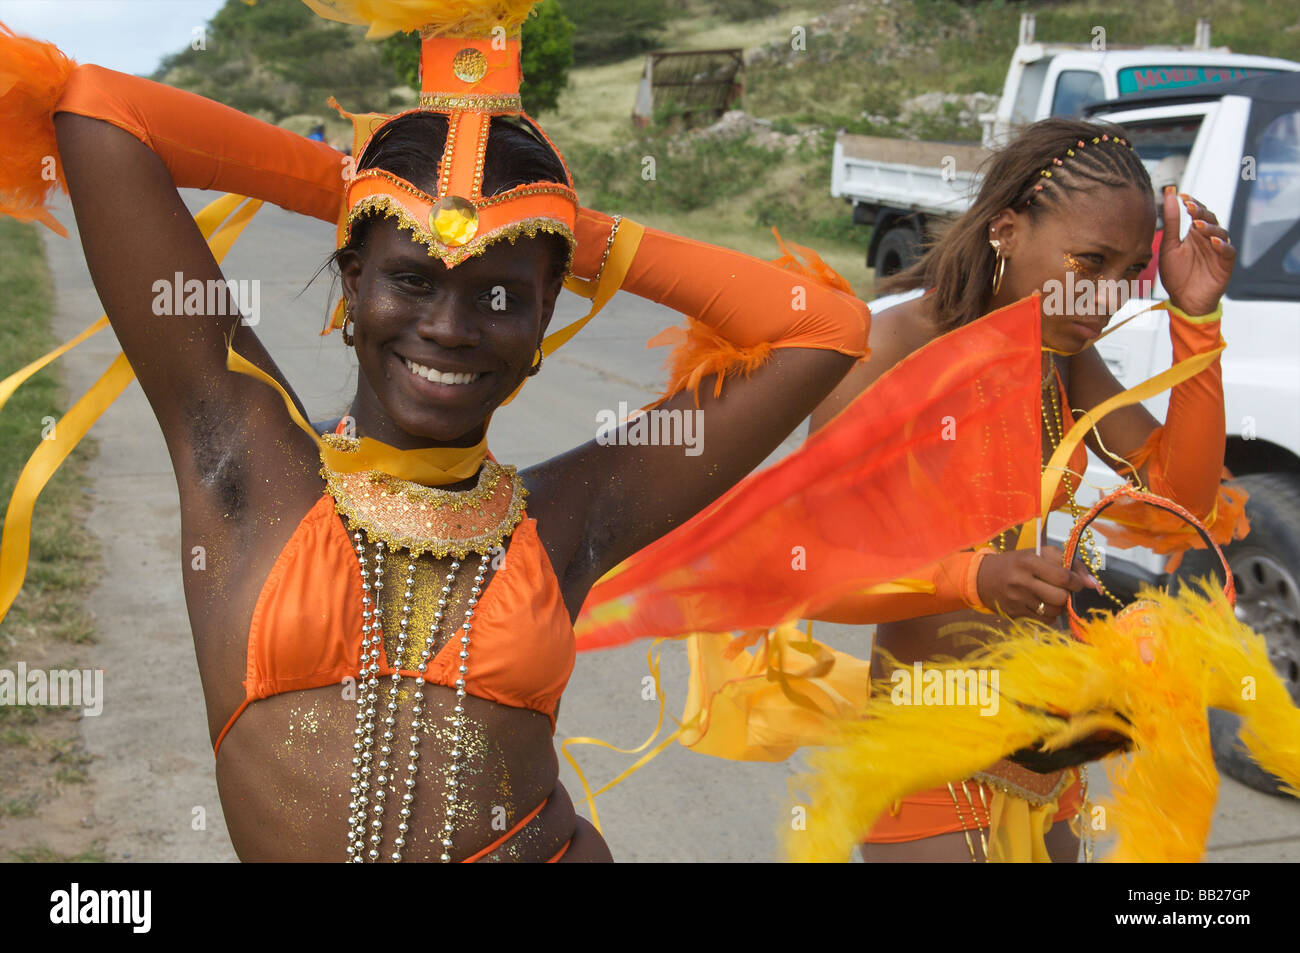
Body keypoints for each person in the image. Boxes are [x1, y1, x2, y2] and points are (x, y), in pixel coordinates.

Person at [0, 4, 874, 862]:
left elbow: (824, 328)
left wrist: (572, 234)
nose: (452, 326)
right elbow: (99, 114)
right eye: (412, 279)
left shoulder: (571, 517)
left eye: (501, 294)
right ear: (352, 287)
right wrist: (351, 187)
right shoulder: (242, 460)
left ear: (541, 323)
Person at [804, 117, 1247, 862]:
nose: (1103, 299)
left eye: (1128, 272)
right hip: (928, 746)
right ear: (1007, 228)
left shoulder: (1061, 358)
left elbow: (1183, 496)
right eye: (1088, 261)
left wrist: (1196, 320)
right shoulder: (887, 352)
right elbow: (810, 571)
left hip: (1046, 750)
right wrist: (975, 577)